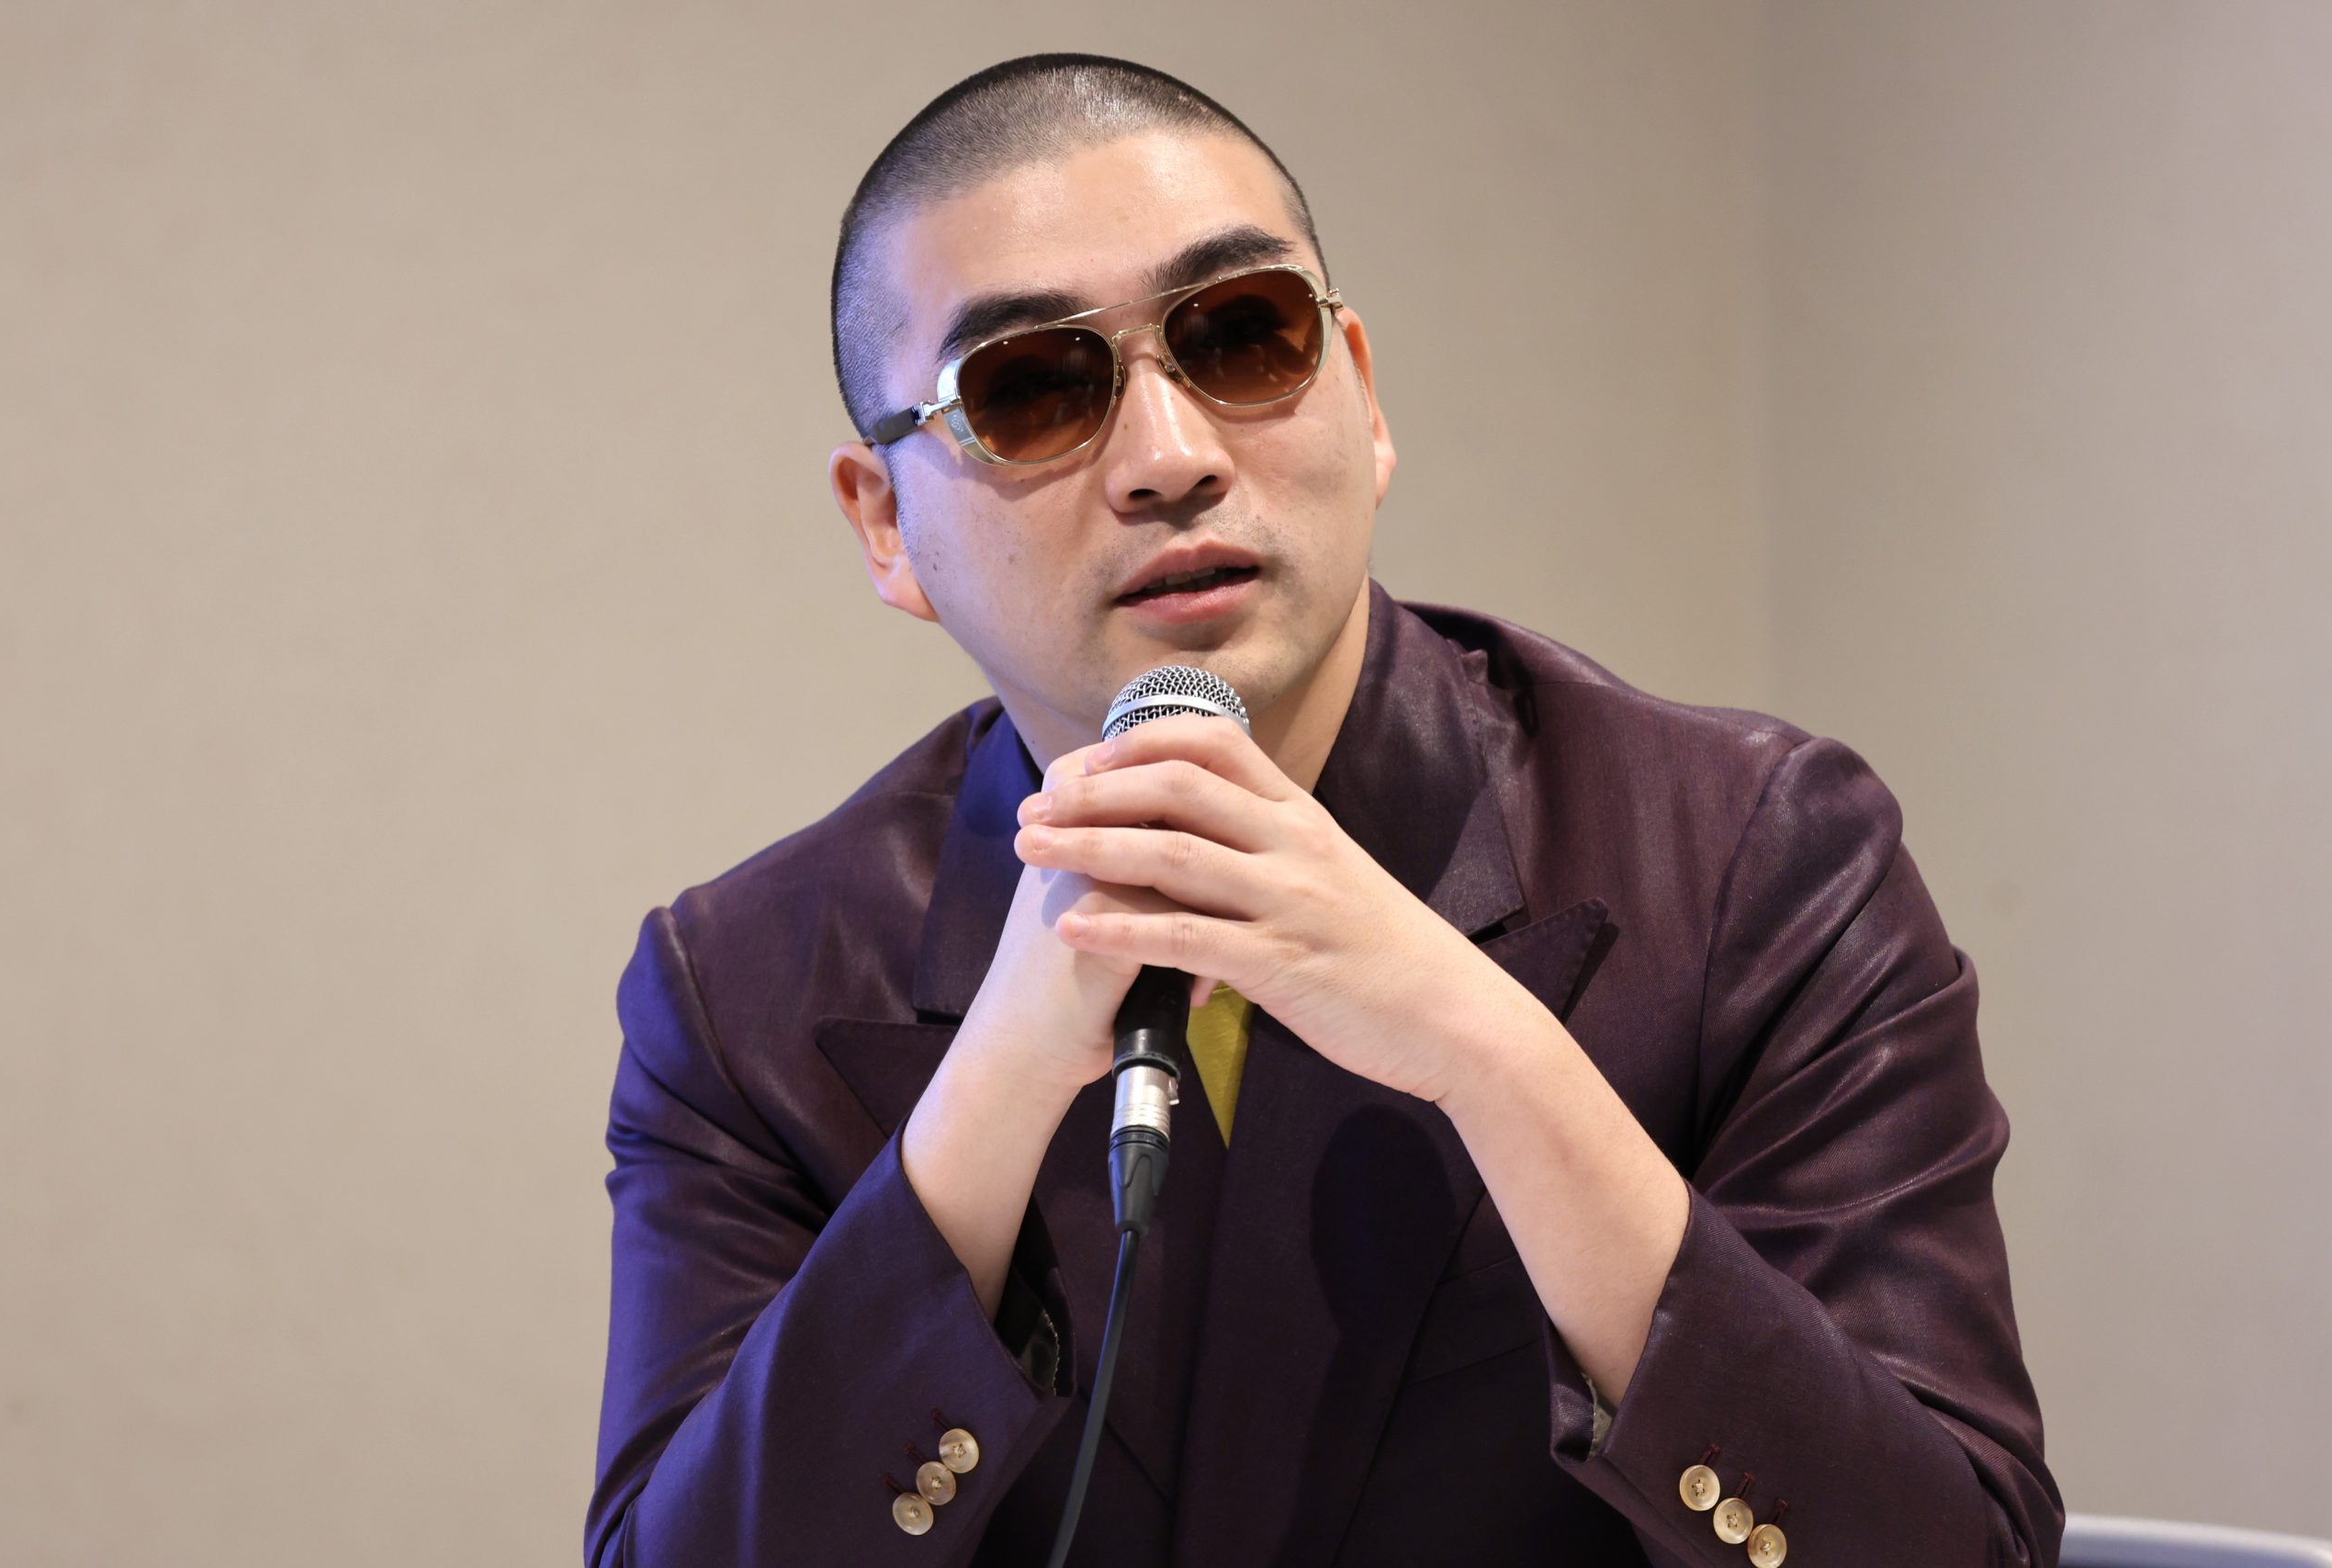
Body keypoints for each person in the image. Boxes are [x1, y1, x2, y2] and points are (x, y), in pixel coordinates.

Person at [586, 53, 2062, 1568]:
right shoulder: (742, 995)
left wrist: (1491, 1055)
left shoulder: (1755, 859)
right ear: (887, 522)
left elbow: (1956, 1550)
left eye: (1243, 334)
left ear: (1361, 393)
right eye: (1031, 389)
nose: (1173, 460)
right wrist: (990, 1100)